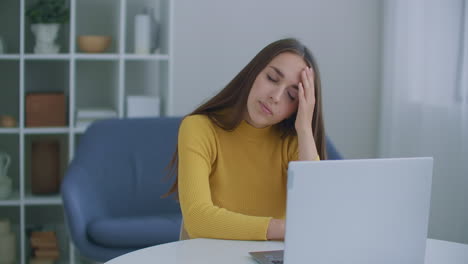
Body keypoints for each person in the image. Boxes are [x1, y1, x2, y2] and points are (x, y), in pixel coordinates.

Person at [165, 38, 327, 241]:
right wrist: (284, 229)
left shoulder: (294, 143)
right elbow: (197, 219)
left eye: (291, 95)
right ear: (253, 73)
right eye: (272, 78)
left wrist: (304, 128)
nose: (276, 97)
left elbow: (317, 214)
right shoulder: (199, 128)